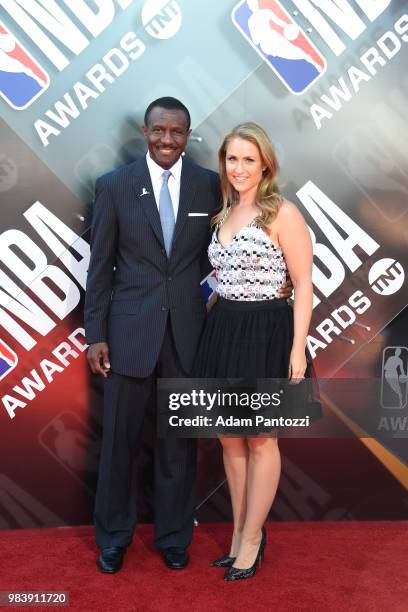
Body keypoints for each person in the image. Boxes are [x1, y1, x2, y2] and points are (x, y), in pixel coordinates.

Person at [84, 99, 293, 574]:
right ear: (145, 131)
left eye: (176, 133)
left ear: (188, 135)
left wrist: (274, 280)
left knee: (178, 443)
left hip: (190, 334)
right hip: (128, 334)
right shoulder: (114, 187)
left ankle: (175, 536)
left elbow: (226, 250)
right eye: (158, 131)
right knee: (119, 442)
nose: (166, 140)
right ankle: (114, 537)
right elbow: (100, 268)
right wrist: (95, 333)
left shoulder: (208, 185)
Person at [193, 122, 321, 581]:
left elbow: (304, 284)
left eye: (249, 159)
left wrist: (297, 347)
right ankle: (238, 533)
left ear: (265, 163)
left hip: (267, 330)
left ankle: (252, 538)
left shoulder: (281, 212)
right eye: (232, 159)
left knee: (261, 438)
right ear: (223, 164)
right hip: (223, 327)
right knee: (230, 438)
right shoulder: (223, 212)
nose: (239, 167)